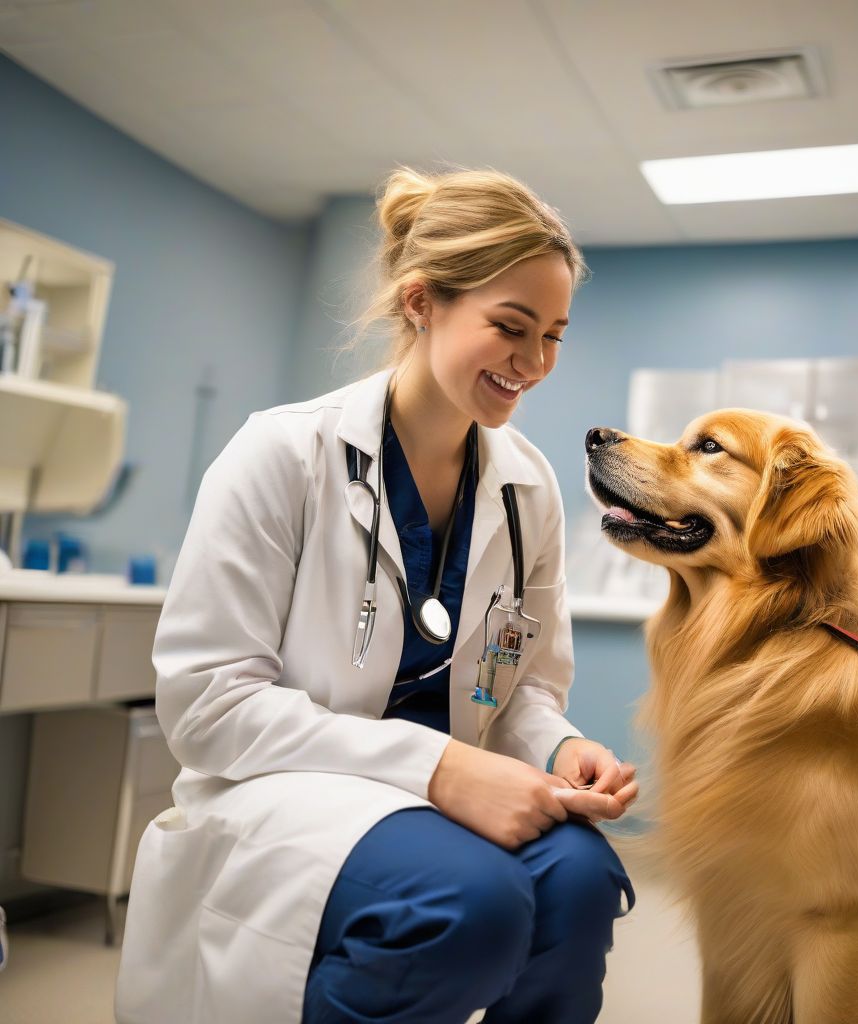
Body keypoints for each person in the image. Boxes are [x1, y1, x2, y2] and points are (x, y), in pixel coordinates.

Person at [115, 166, 638, 1024]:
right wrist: (438, 768)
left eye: (553, 336)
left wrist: (559, 748)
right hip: (286, 788)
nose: (534, 363)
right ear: (421, 302)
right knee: (474, 904)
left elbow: (526, 688)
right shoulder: (282, 455)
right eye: (510, 327)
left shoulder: (527, 488)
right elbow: (206, 709)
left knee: (580, 880)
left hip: (445, 792)